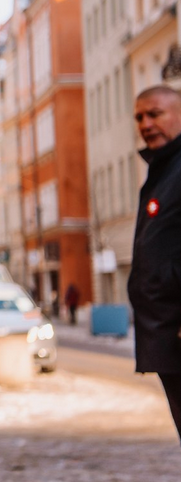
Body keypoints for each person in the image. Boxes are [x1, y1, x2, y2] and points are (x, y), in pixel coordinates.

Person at [129, 85, 181, 441]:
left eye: (155, 114)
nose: (146, 124)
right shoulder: (162, 171)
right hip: (166, 337)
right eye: (139, 117)